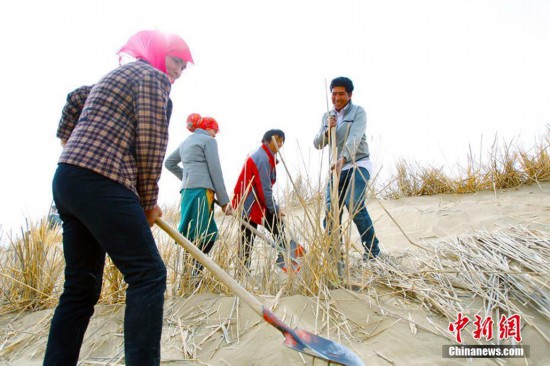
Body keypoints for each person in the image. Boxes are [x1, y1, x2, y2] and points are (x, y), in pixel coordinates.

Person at [44, 30, 193, 366]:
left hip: (67, 180)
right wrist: (147, 201)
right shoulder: (153, 79)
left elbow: (73, 98)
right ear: (156, 56)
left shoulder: (113, 77)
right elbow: (151, 143)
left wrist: (72, 144)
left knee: (80, 289)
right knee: (148, 274)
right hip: (103, 182)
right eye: (175, 61)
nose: (179, 71)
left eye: (184, 67)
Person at [313, 77, 380, 262]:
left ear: (349, 95)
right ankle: (335, 254)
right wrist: (328, 130)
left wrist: (344, 158)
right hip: (337, 168)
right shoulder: (327, 116)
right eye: (334, 94)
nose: (337, 97)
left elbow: (355, 138)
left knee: (354, 204)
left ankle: (373, 251)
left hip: (357, 163)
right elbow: (318, 143)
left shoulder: (359, 112)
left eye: (341, 93)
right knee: (330, 210)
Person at [164, 113, 232, 274]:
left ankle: (189, 276)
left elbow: (169, 163)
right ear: (208, 128)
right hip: (202, 193)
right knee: (208, 234)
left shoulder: (185, 142)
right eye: (215, 131)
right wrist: (224, 201)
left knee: (192, 234)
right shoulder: (208, 141)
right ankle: (195, 274)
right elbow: (215, 171)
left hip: (187, 192)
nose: (216, 135)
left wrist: (188, 178)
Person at [232, 129, 304, 271]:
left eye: (282, 141)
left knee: (262, 232)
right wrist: (274, 209)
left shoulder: (264, 156)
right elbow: (264, 188)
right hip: (250, 203)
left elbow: (266, 188)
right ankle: (286, 260)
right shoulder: (262, 157)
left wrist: (274, 207)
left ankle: (244, 270)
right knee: (251, 235)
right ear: (266, 140)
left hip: (255, 202)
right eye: (277, 140)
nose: (280, 144)